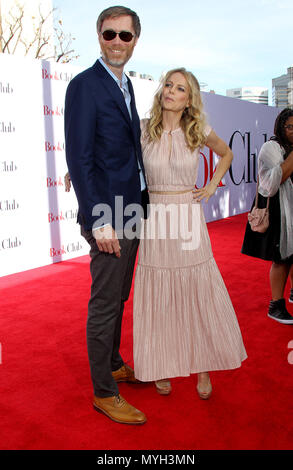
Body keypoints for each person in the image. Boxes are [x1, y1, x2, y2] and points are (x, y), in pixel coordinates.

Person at [132, 68, 247, 398]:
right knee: (160, 293)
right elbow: (113, 158)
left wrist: (212, 185)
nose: (170, 91)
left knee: (196, 291)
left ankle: (204, 368)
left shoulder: (198, 130)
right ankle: (161, 364)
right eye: (168, 84)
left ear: (188, 100)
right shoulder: (143, 129)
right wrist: (77, 169)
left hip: (187, 217)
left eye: (179, 88)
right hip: (155, 218)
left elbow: (227, 153)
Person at [64, 6, 149, 425]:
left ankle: (114, 362)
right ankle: (104, 392)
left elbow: (117, 150)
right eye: (109, 34)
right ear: (99, 36)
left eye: (125, 36)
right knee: (104, 303)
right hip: (108, 215)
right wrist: (100, 220)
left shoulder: (126, 84)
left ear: (135, 41)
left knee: (118, 297)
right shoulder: (85, 85)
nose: (117, 42)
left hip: (132, 207)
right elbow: (79, 155)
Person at [242, 108, 293, 324]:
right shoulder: (270, 147)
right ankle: (276, 305)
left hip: (291, 208)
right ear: (280, 127)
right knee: (281, 258)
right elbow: (273, 183)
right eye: (290, 127)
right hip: (278, 210)